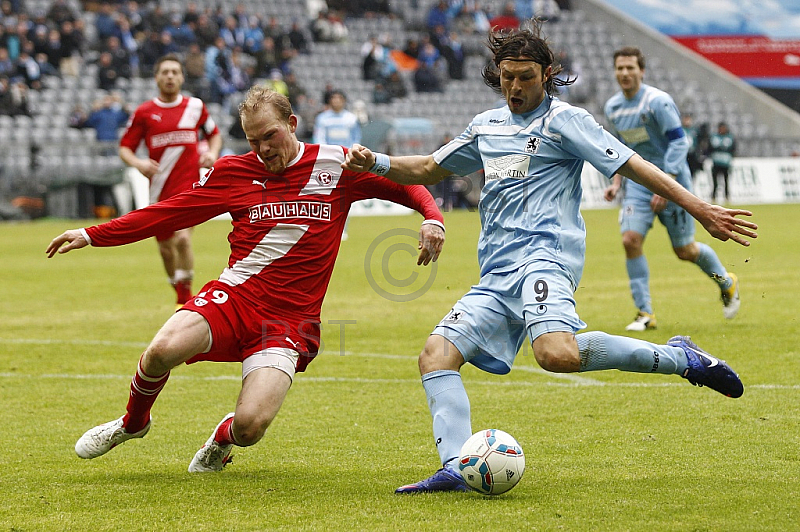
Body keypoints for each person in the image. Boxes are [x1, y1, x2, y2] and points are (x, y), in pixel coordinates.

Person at [342, 20, 757, 494]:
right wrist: (374, 161)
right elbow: (431, 167)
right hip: (497, 270)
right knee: (435, 355)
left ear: (547, 73)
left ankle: (679, 357)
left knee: (555, 354)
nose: (515, 87)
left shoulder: (566, 121)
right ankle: (456, 467)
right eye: (507, 76)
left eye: (525, 77)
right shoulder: (487, 126)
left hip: (546, 258)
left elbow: (633, 165)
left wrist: (701, 208)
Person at [46, 86, 446, 473]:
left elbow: (405, 182)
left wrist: (432, 218)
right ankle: (132, 423)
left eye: (269, 136)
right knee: (160, 350)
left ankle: (223, 438)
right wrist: (92, 234)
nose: (263, 149)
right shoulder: (233, 172)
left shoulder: (338, 165)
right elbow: (169, 212)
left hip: (289, 322)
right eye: (253, 141)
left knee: (250, 427)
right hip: (234, 297)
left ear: (291, 123)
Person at [603, 47, 741, 330]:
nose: (625, 73)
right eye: (620, 68)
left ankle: (726, 281)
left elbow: (680, 143)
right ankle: (645, 313)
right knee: (630, 240)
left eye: (630, 68)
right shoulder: (613, 107)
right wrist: (616, 182)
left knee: (685, 250)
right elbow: (620, 149)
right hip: (638, 185)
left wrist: (665, 183)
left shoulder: (658, 102)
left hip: (672, 181)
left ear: (642, 71)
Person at [118, 53, 223, 307]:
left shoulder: (195, 107)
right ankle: (177, 287)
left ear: (182, 77)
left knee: (183, 239)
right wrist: (139, 163)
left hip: (189, 187)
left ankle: (185, 297)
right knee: (166, 248)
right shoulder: (145, 112)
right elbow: (125, 148)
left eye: (175, 72)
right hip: (159, 190)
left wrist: (211, 153)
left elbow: (214, 135)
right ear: (156, 78)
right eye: (165, 72)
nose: (170, 76)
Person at [313, 89, 362, 240]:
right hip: (328, 162)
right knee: (323, 196)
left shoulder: (351, 119)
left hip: (346, 162)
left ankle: (343, 229)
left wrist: (352, 156)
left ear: (344, 101)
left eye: (339, 98)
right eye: (333, 98)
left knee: (345, 196)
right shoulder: (322, 119)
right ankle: (323, 227)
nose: (336, 101)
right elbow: (319, 138)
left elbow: (356, 140)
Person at [709, 121, 736, 203]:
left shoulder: (730, 137)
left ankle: (727, 197)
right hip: (716, 162)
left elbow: (733, 149)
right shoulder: (714, 137)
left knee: (726, 181)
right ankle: (713, 197)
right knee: (715, 182)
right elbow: (709, 148)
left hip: (726, 163)